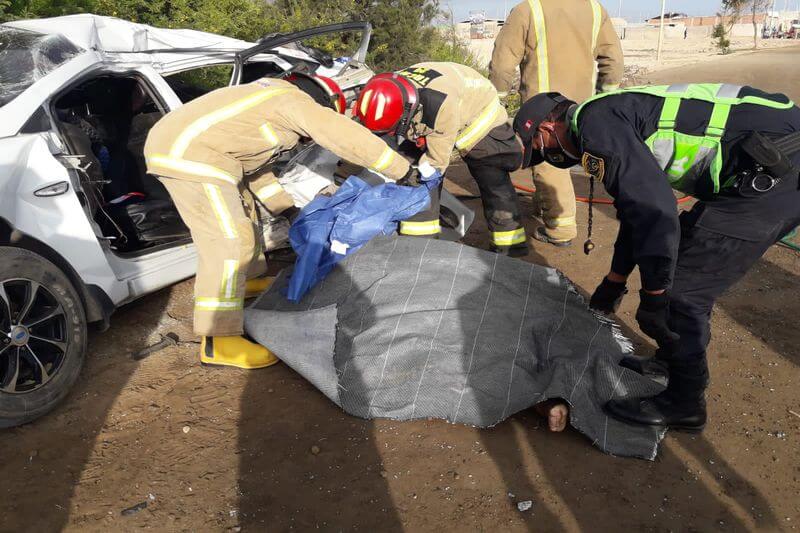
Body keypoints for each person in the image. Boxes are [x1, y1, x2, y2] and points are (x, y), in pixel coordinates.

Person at [511, 84, 800, 430]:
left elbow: (657, 213)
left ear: (546, 128)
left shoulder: (596, 129)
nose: (550, 158)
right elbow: (637, 211)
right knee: (681, 263)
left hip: (779, 169)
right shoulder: (604, 114)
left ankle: (684, 403)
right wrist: (614, 281)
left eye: (541, 150)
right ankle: (670, 360)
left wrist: (655, 295)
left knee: (682, 292)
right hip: (765, 160)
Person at [144, 74, 411, 369]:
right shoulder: (292, 101)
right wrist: (400, 170)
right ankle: (218, 340)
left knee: (247, 220)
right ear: (322, 101)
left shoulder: (266, 107)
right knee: (229, 242)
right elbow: (343, 135)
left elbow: (256, 174)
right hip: (192, 157)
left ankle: (249, 280)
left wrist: (288, 210)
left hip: (204, 154)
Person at [353, 62, 529, 256]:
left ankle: (511, 246)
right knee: (412, 170)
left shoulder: (439, 105)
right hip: (440, 108)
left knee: (488, 176)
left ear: (406, 113)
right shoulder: (386, 89)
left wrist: (413, 173)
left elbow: (436, 163)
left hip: (480, 116)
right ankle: (419, 246)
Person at [489, 0, 623, 246]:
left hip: (543, 107)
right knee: (569, 156)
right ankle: (545, 206)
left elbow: (502, 61)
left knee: (549, 162)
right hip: (581, 105)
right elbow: (612, 58)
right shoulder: (594, 8)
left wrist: (496, 101)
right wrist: (606, 97)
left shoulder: (528, 9)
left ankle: (561, 228)